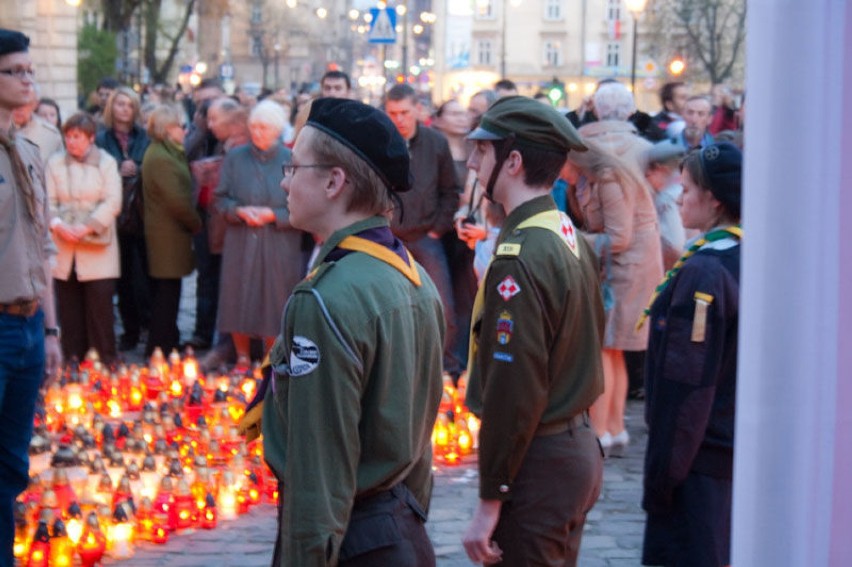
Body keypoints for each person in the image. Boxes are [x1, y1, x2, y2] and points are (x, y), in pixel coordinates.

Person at [262, 97, 444, 565]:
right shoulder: (411, 273)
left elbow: (318, 468)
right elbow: (419, 437)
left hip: (349, 540)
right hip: (398, 528)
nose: (284, 180)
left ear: (333, 181)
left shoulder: (324, 298)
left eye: (294, 167)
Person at [461, 96, 605, 566]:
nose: (472, 162)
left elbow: (513, 386)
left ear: (514, 161)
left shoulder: (520, 256)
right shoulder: (561, 231)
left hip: (538, 461)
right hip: (571, 448)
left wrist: (491, 498)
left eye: (482, 152)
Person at [640, 142, 743, 567]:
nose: (680, 200)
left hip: (699, 461)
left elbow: (687, 386)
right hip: (729, 450)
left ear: (713, 199)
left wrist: (662, 477)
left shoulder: (705, 270)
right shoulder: (742, 254)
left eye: (687, 191)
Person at [0, 28, 62, 567]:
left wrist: (50, 328)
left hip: (27, 325)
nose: (27, 80)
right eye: (14, 71)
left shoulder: (28, 150)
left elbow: (44, 247)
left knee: (13, 465)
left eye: (29, 70)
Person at [564, 137, 663, 456]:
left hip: (628, 270)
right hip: (620, 268)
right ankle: (614, 427)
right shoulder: (588, 179)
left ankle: (602, 430)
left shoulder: (608, 179)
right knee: (614, 350)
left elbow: (619, 238)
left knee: (605, 349)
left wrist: (570, 237)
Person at [214, 100, 303, 364]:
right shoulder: (235, 158)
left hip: (279, 242)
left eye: (263, 127)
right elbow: (220, 198)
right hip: (241, 239)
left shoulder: (291, 160)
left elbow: (302, 206)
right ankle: (241, 357)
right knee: (237, 296)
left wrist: (273, 215)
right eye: (253, 127)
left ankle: (270, 359)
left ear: (276, 130)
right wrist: (239, 211)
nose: (257, 132)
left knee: (274, 299)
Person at [384, 83, 461, 379]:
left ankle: (447, 368)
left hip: (425, 235)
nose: (399, 119)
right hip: (389, 238)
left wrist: (438, 229)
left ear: (417, 110)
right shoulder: (382, 142)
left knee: (443, 305)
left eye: (404, 112)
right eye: (392, 113)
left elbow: (450, 190)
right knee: (389, 307)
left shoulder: (435, 143)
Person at [46, 113, 122, 363]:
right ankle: (73, 363)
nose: (71, 142)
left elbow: (112, 201)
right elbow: (47, 200)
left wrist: (87, 226)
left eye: (77, 137)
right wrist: (58, 225)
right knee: (69, 313)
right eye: (67, 137)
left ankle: (105, 363)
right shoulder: (54, 163)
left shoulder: (107, 163)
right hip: (65, 248)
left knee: (100, 313)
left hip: (98, 250)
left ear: (90, 138)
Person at [141, 105, 202, 356]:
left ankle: (166, 339)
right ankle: (160, 345)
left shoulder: (169, 152)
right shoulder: (160, 157)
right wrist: (197, 223)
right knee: (166, 293)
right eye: (181, 126)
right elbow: (176, 200)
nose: (185, 131)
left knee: (170, 292)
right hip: (166, 235)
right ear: (168, 129)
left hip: (170, 233)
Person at [95, 86, 152, 352]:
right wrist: (117, 168)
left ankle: (147, 325)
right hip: (116, 214)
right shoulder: (101, 138)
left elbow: (151, 166)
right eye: (120, 104)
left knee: (147, 273)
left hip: (141, 212)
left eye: (129, 105)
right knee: (124, 275)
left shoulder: (145, 136)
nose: (124, 110)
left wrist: (137, 168)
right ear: (111, 107)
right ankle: (130, 330)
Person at [644, 139, 689, 271]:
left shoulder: (666, 197)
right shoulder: (689, 189)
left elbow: (674, 245)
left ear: (660, 169)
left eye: (648, 173)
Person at [12, 89, 63, 164]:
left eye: (25, 103)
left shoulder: (50, 134)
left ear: (35, 104)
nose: (19, 109)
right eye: (15, 103)